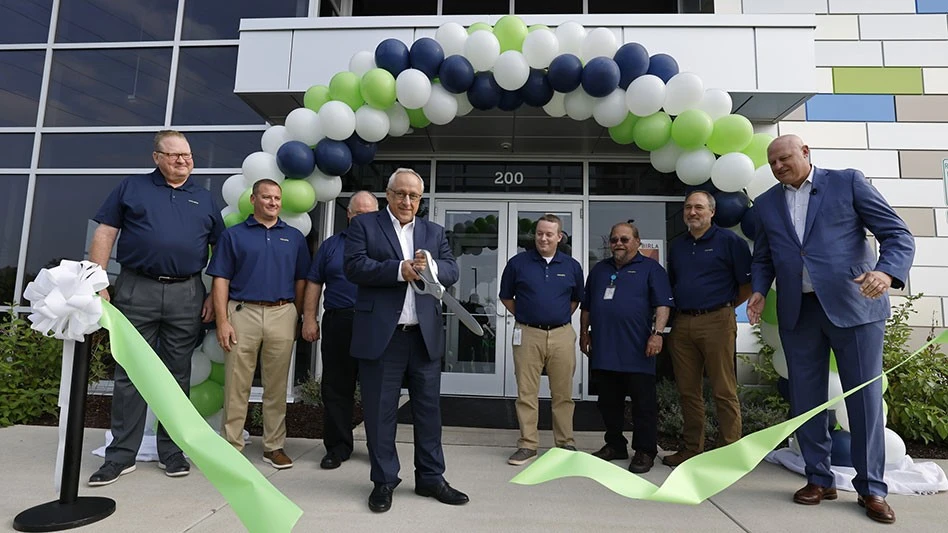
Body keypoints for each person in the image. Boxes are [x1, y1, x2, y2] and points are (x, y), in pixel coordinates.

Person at [747, 134, 914, 524]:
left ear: (806, 153)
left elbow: (897, 234)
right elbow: (763, 257)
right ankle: (818, 478)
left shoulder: (848, 181)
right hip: (798, 312)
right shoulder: (767, 202)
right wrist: (758, 291)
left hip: (855, 307)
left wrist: (887, 272)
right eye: (772, 162)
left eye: (784, 158)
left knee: (865, 401)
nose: (778, 167)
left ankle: (871, 488)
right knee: (805, 399)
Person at [88, 130, 222, 486]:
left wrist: (212, 295)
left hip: (186, 293)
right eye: (174, 155)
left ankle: (172, 452)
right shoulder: (131, 188)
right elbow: (104, 233)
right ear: (156, 157)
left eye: (188, 156)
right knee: (129, 373)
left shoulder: (204, 199)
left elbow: (220, 250)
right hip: (136, 289)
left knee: (178, 376)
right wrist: (98, 281)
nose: (183, 161)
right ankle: (120, 456)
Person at [344, 168, 468, 513]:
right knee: (381, 414)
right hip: (383, 338)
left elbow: (452, 270)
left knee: (429, 413)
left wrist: (432, 267)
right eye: (401, 194)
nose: (407, 201)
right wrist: (400, 270)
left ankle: (431, 477)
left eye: (414, 196)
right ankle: (384, 481)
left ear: (420, 199)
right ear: (388, 194)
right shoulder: (365, 226)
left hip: (423, 338)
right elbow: (354, 266)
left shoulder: (433, 231)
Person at [207, 178, 310, 470]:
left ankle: (274, 447)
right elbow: (221, 279)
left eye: (277, 198)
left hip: (282, 312)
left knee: (276, 387)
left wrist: (295, 313)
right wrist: (223, 320)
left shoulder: (293, 237)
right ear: (253, 200)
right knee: (236, 385)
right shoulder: (234, 236)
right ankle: (232, 447)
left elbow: (302, 279)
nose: (273, 203)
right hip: (242, 312)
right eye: (267, 197)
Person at [664, 190, 752, 467]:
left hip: (717, 320)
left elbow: (746, 285)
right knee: (688, 391)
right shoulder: (677, 245)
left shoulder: (730, 242)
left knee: (723, 388)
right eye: (688, 207)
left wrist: (723, 308)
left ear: (712, 212)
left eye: (699, 207)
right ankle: (692, 449)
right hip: (682, 323)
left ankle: (729, 454)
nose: (692, 212)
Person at [580, 222, 673, 474]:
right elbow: (586, 306)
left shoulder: (651, 269)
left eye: (624, 239)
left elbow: (662, 305)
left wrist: (657, 334)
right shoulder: (599, 270)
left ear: (637, 242)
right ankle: (615, 445)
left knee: (643, 404)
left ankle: (645, 450)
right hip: (605, 349)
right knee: (608, 402)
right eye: (614, 240)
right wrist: (583, 334)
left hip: (639, 350)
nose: (618, 244)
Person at [301, 191, 379, 470]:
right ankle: (337, 447)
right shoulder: (331, 246)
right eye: (359, 213)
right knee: (336, 388)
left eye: (369, 214)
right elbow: (314, 283)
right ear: (349, 214)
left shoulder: (386, 245)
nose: (363, 219)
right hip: (339, 321)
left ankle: (379, 448)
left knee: (378, 389)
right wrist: (309, 319)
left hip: (376, 324)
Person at [499, 214, 584, 466]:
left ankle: (565, 444)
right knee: (526, 392)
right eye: (539, 233)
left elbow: (575, 300)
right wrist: (528, 316)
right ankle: (528, 445)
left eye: (549, 234)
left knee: (563, 393)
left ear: (560, 237)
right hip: (527, 333)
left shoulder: (571, 266)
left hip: (561, 333)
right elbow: (506, 297)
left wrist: (555, 318)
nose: (543, 238)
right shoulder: (518, 263)